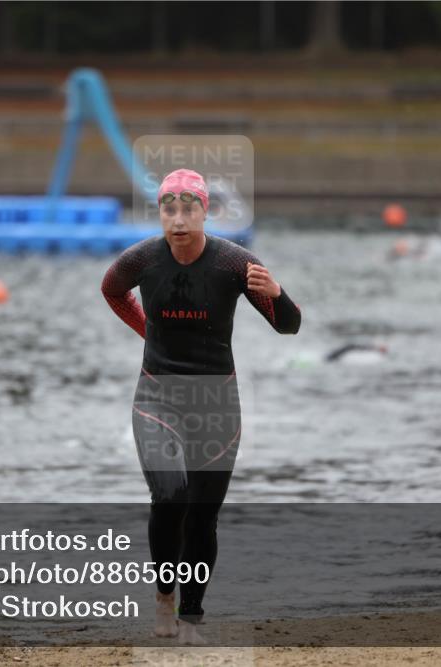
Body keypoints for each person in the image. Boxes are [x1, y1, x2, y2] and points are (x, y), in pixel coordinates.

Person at [100, 168, 301, 644]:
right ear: (160, 213)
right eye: (169, 209)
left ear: (205, 212)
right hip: (157, 397)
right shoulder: (141, 259)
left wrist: (277, 295)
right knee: (170, 498)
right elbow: (111, 290)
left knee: (203, 514)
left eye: (189, 209)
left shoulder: (234, 263)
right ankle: (164, 601)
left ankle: (191, 618)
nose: (178, 219)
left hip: (217, 402)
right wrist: (147, 330)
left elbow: (289, 326)